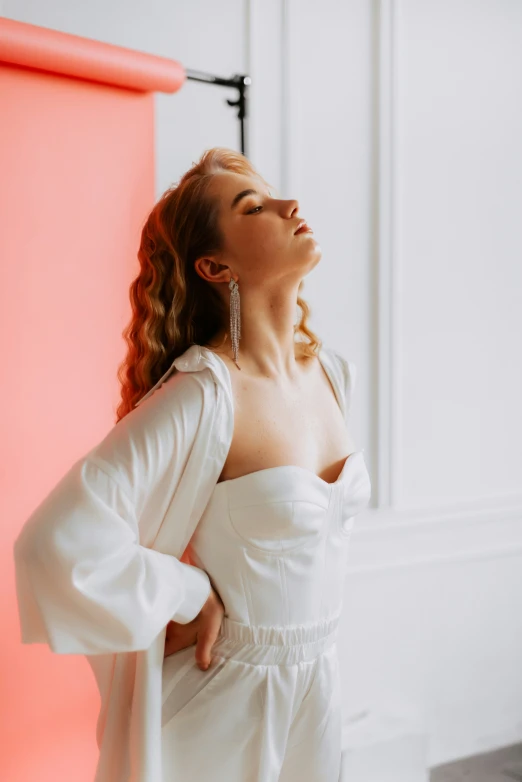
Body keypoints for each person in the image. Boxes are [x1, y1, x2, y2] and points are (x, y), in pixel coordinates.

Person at [13, 146, 371, 782]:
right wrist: (185, 592)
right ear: (215, 266)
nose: (291, 206)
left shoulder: (333, 374)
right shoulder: (205, 393)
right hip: (222, 714)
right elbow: (53, 545)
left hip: (318, 690)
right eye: (253, 206)